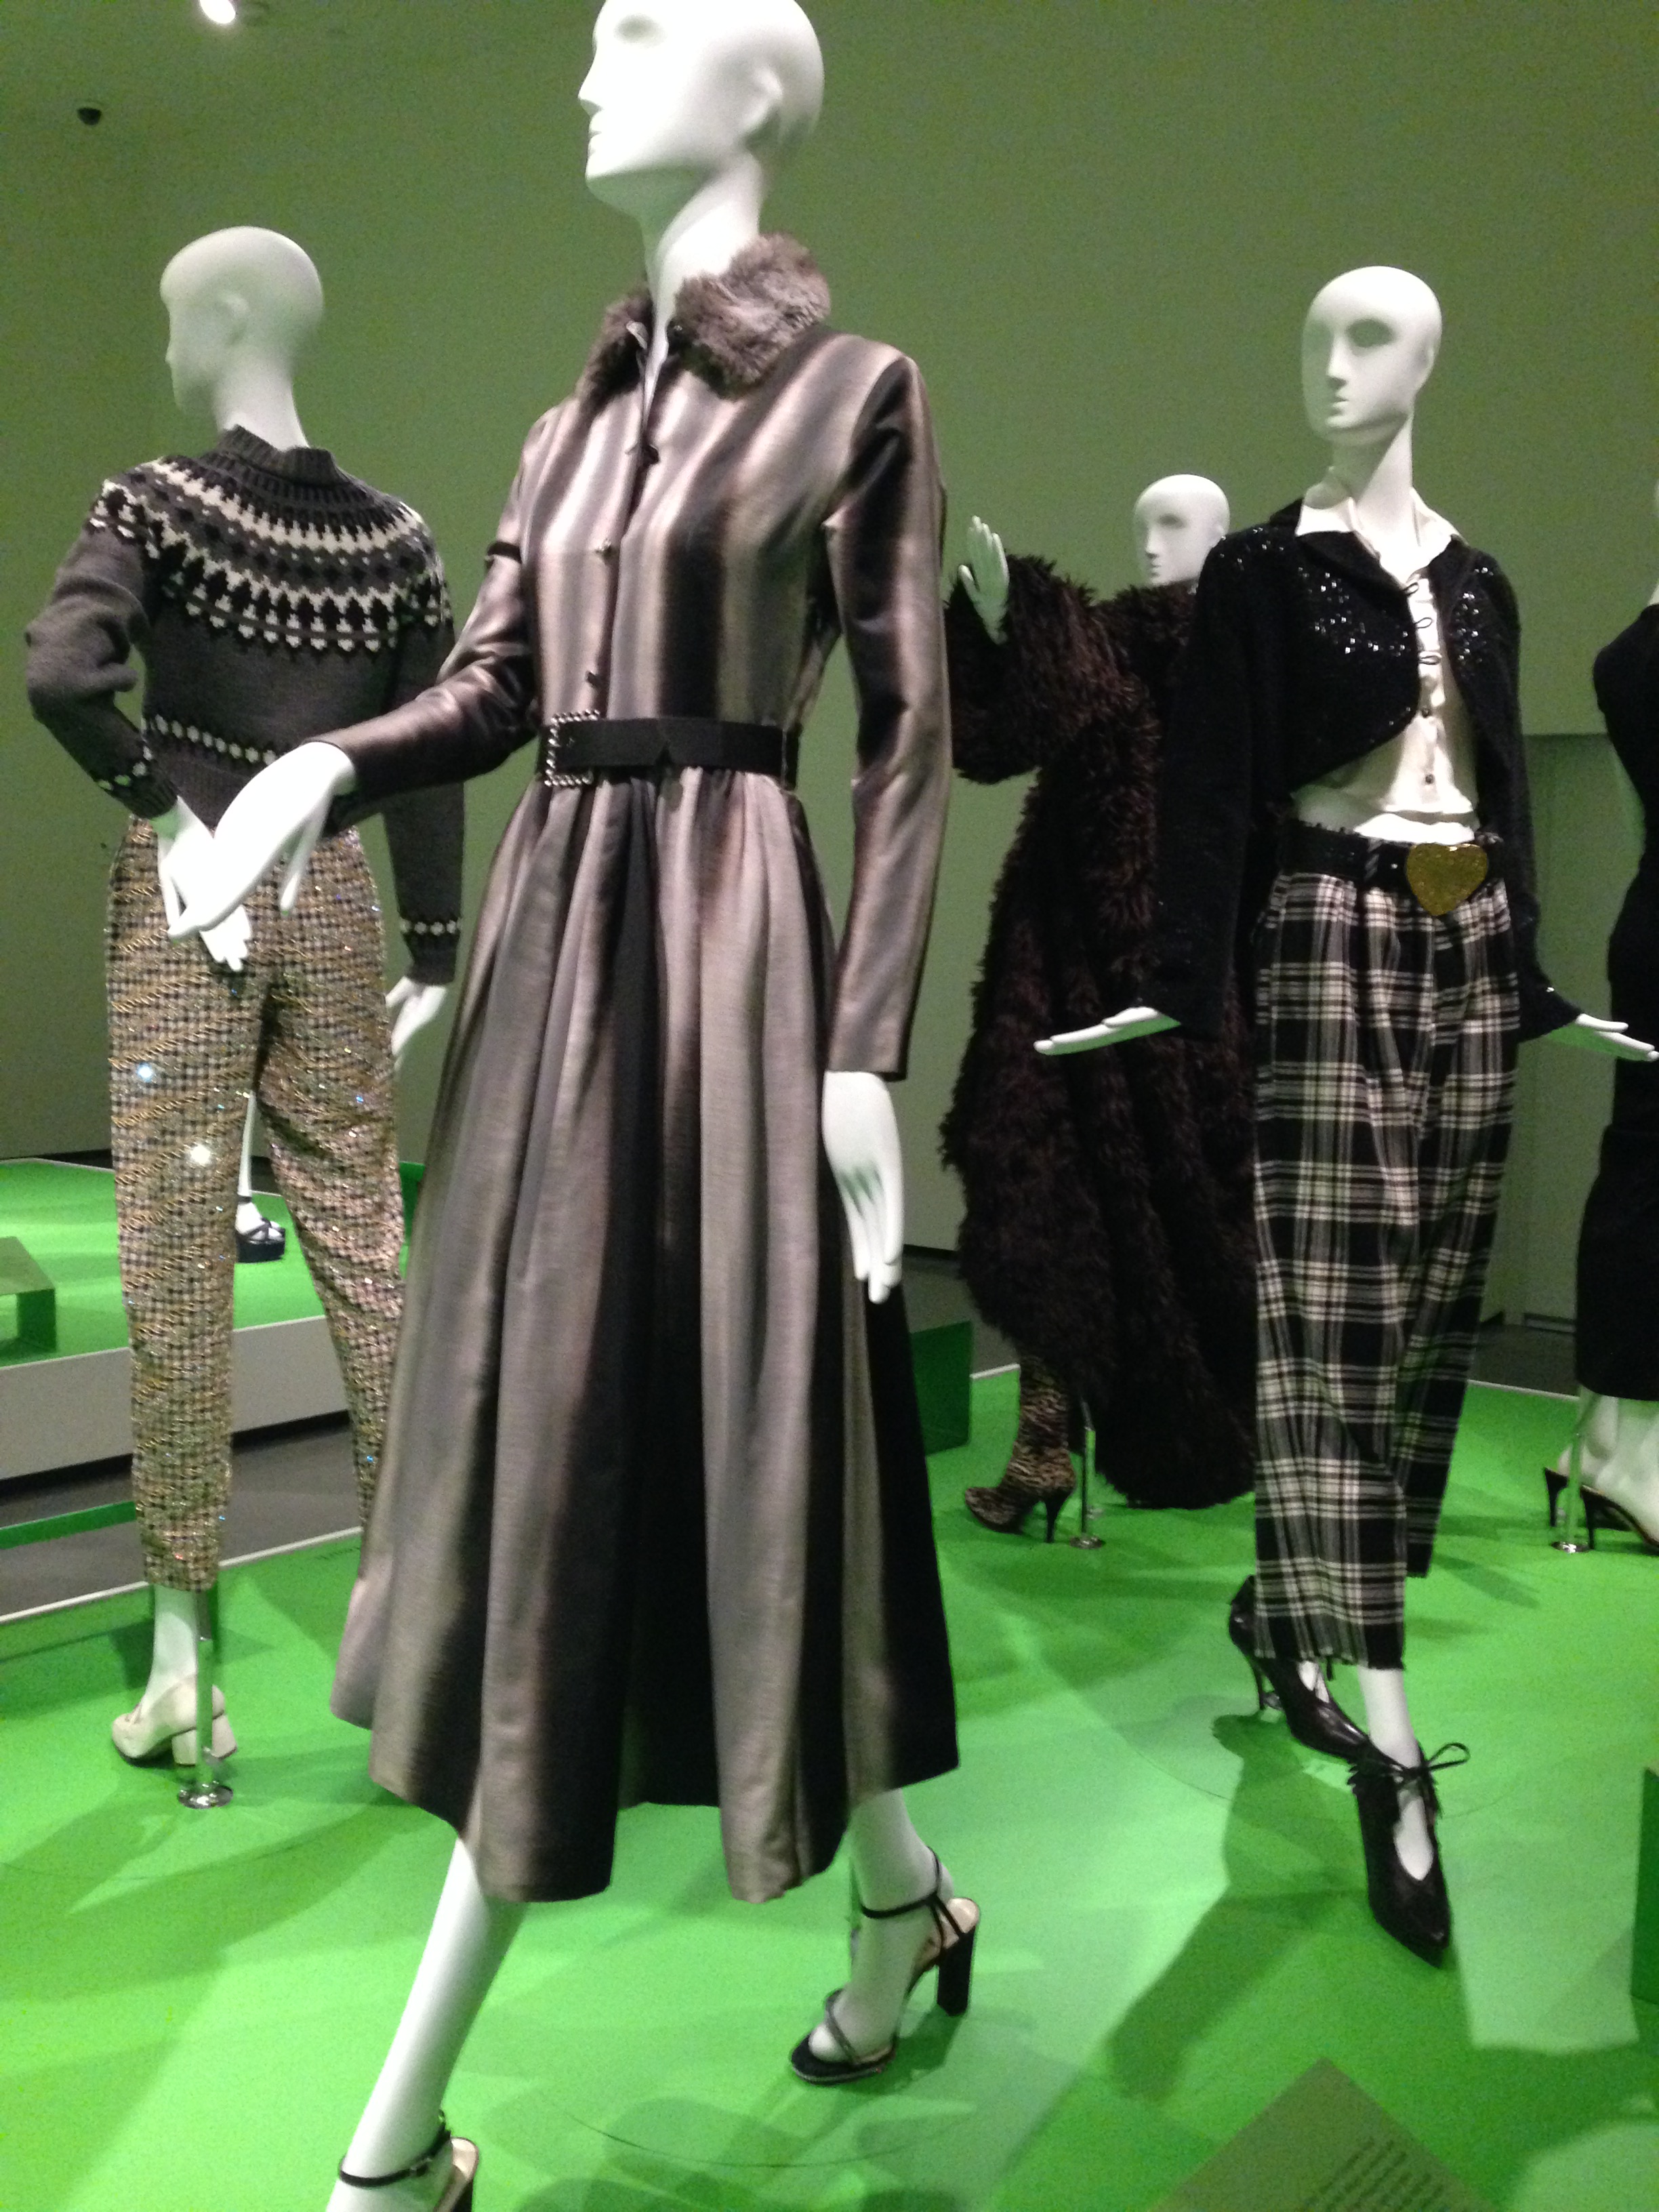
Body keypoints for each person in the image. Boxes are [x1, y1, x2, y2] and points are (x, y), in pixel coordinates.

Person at [174, 6, 972, 2202]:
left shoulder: (855, 394)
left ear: (760, 93)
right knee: (594, 1433)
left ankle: (391, 2144)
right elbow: (499, 689)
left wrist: (858, 1046)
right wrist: (324, 766)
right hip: (560, 948)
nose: (591, 60)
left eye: (643, 25)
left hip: (725, 940)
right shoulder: (565, 430)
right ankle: (900, 1900)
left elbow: (903, 731)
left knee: (705, 1434)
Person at [941, 482, 1254, 1538]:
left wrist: (1018, 616)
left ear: (1223, 538)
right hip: (1064, 947)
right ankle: (1042, 1435)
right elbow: (1004, 736)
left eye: (1175, 526)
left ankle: (1191, 1425)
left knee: (1191, 1197)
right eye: (1141, 526)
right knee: (1035, 1169)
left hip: (1193, 964)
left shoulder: (1243, 656)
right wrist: (1005, 617)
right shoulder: (1108, 643)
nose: (1151, 546)